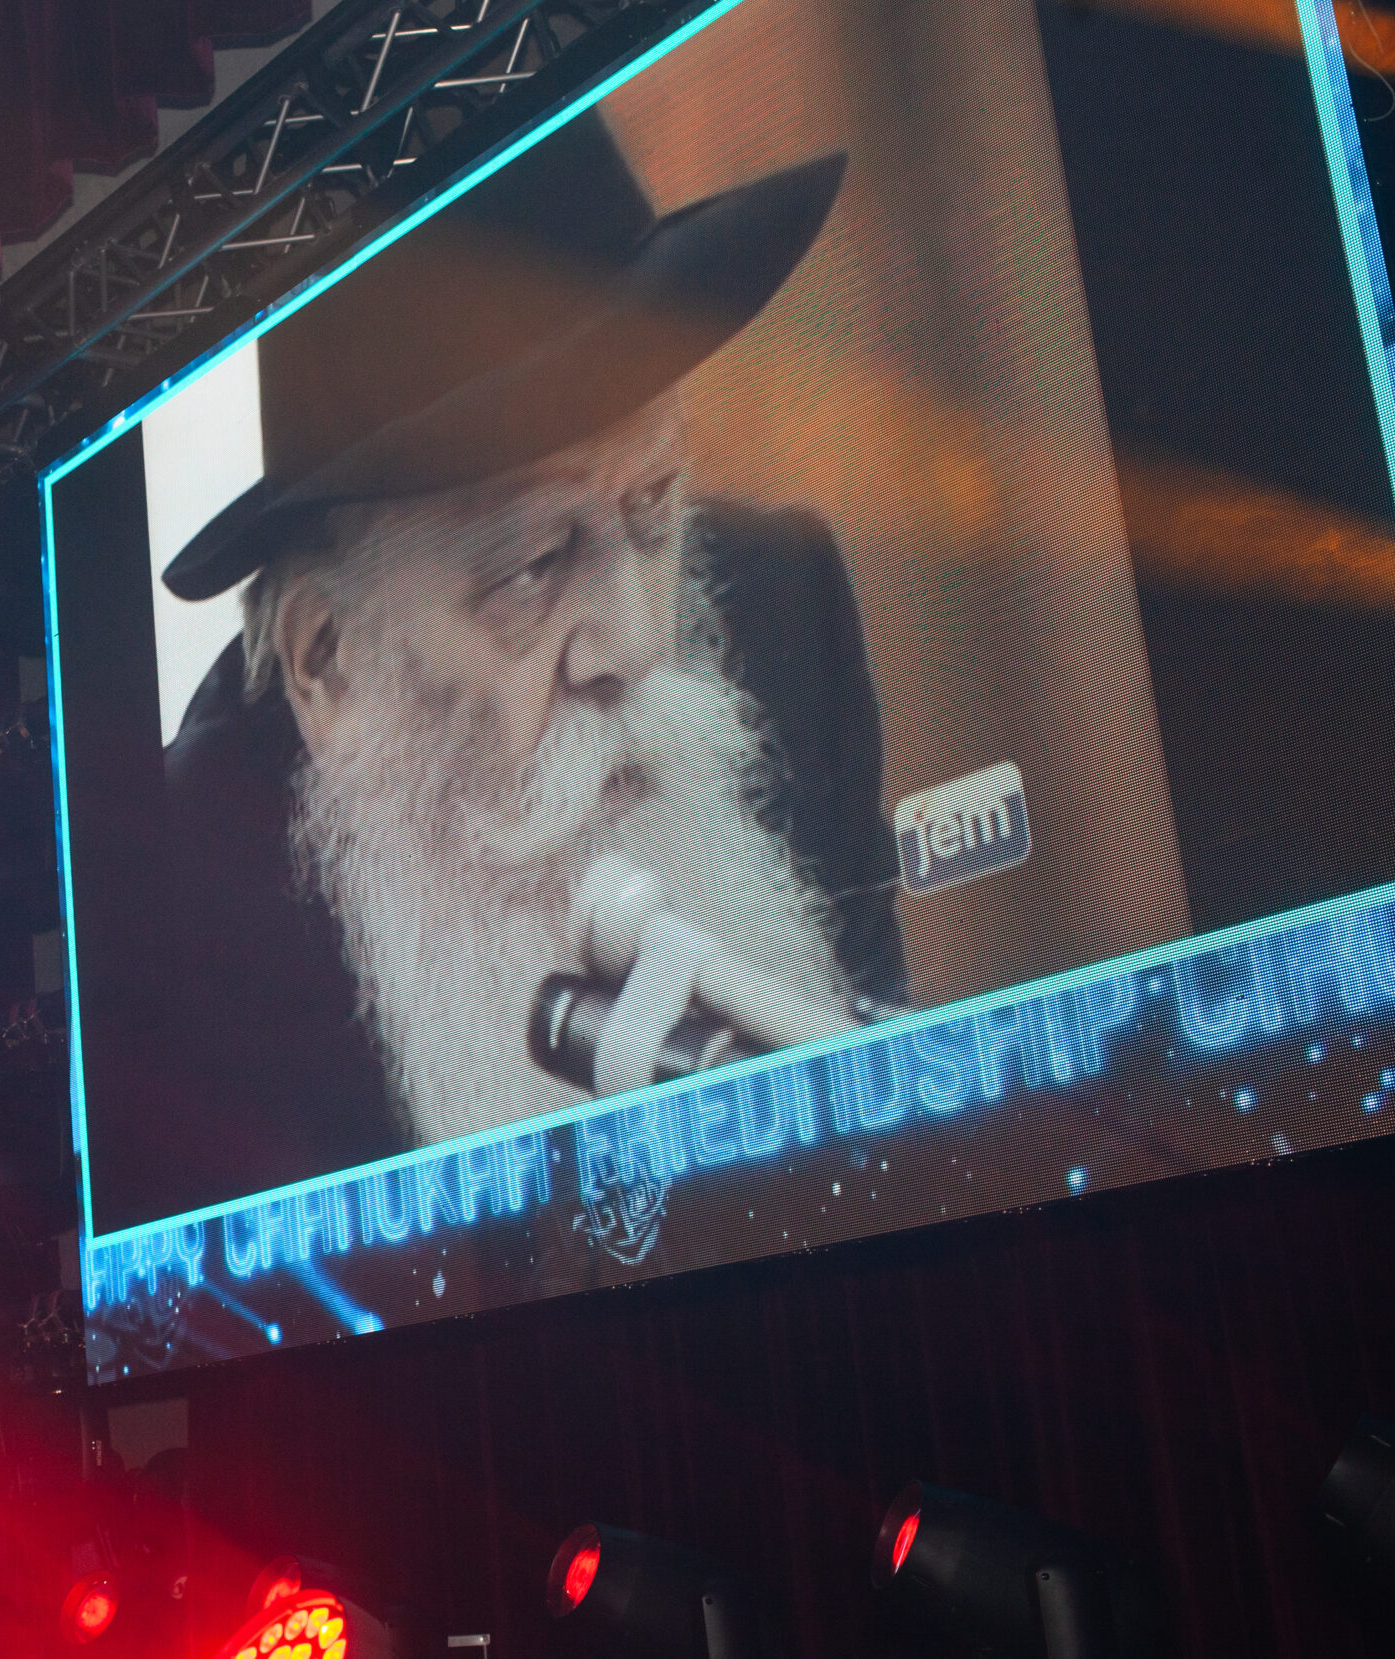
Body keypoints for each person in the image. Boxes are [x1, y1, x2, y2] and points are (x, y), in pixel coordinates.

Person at [130, 115, 904, 1222]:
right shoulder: (175, 908)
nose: (636, 646)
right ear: (328, 667)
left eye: (652, 512)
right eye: (536, 567)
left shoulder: (785, 608)